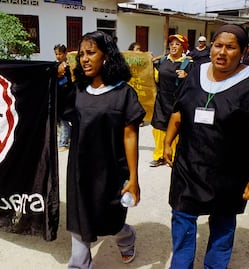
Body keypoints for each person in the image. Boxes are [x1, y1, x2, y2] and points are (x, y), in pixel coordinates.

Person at [163, 24, 249, 268]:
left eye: (230, 47)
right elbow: (179, 111)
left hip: (230, 173)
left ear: (243, 51)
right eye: (218, 45)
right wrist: (167, 142)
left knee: (223, 226)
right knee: (182, 219)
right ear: (211, 47)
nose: (222, 52)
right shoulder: (196, 72)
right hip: (188, 167)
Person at [60, 31, 145, 268]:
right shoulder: (77, 92)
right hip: (79, 169)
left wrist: (133, 178)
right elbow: (50, 108)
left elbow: (130, 137)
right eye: (82, 54)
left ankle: (127, 238)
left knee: (110, 220)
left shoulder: (123, 94)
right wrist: (56, 78)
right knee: (79, 219)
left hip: (111, 170)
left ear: (106, 56)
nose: (84, 59)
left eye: (91, 53)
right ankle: (79, 264)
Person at [150, 34, 193, 167]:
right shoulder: (162, 61)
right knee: (158, 127)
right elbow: (153, 78)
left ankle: (174, 156)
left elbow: (195, 83)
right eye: (172, 44)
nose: (173, 46)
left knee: (176, 128)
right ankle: (159, 156)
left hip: (178, 101)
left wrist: (187, 76)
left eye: (177, 44)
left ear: (183, 48)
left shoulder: (189, 64)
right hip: (161, 100)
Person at [54, 44, 72, 151]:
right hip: (58, 97)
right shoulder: (56, 66)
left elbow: (67, 82)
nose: (58, 56)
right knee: (60, 120)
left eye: (60, 54)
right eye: (56, 54)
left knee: (64, 120)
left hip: (66, 97)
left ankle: (63, 143)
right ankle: (68, 137)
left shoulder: (67, 67)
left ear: (65, 54)